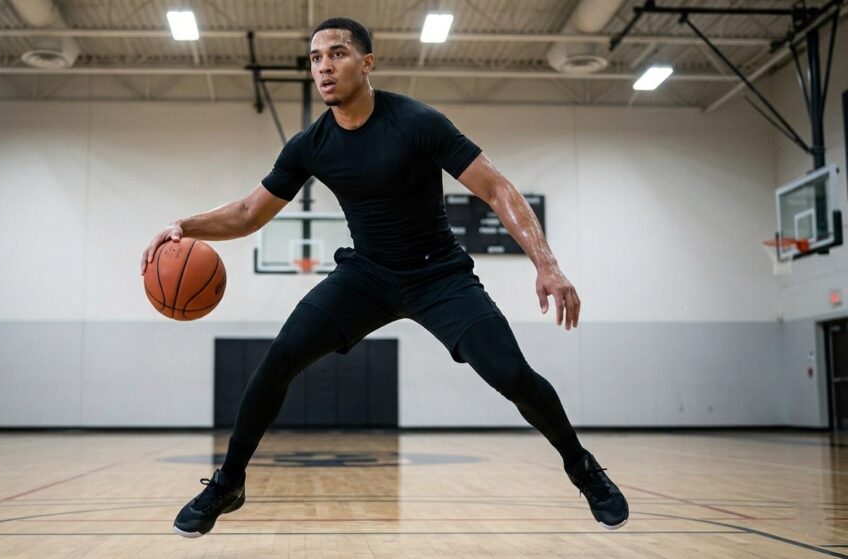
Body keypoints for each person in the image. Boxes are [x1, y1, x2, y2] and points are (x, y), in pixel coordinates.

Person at [141, 17, 628, 538]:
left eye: (337, 54)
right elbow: (246, 214)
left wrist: (546, 264)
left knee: (512, 375)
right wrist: (184, 225)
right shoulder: (311, 145)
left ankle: (582, 468)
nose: (324, 66)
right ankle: (228, 482)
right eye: (314, 58)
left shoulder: (417, 122)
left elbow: (498, 190)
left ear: (366, 63)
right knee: (277, 360)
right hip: (365, 276)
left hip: (438, 275)